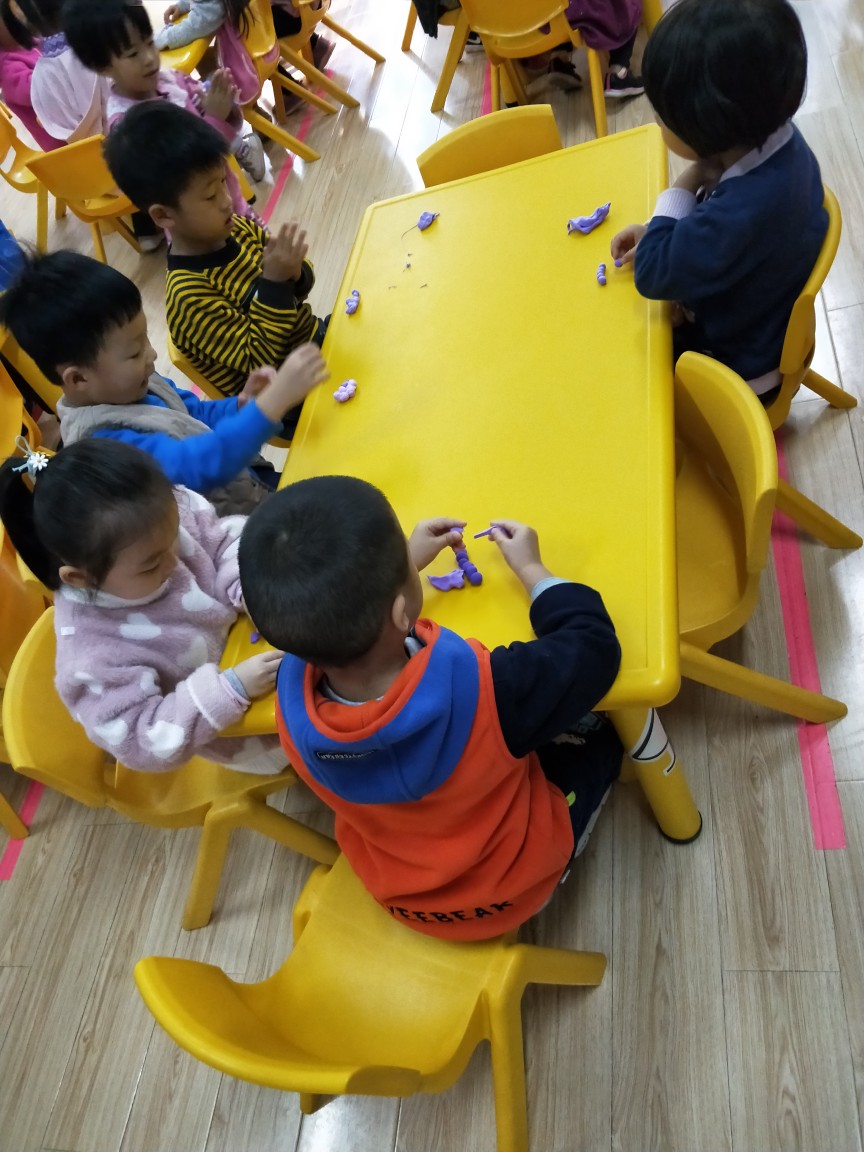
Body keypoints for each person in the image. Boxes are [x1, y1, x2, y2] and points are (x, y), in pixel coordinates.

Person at [238, 476, 624, 941]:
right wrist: (532, 569)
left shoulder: (290, 708)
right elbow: (594, 648)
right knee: (603, 742)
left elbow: (333, 621)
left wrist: (394, 571)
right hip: (509, 890)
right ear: (401, 612)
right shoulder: (492, 689)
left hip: (402, 898)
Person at [0, 438, 287, 774]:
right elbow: (143, 742)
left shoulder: (156, 517)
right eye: (151, 566)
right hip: (249, 734)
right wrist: (231, 689)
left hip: (258, 645)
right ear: (81, 578)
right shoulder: (92, 658)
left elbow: (222, 539)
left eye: (175, 537)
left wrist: (244, 584)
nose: (174, 562)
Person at [0, 250, 330, 514]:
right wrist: (269, 408)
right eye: (134, 352)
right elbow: (198, 466)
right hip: (237, 532)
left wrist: (242, 405)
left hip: (249, 485)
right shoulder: (104, 443)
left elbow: (195, 414)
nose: (152, 354)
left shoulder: (134, 382)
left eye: (145, 338)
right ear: (79, 378)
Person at [610, 0, 826, 401]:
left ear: (707, 130)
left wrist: (686, 180)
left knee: (622, 362)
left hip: (743, 370)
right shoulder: (781, 140)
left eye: (661, 115)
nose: (656, 121)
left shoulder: (740, 212)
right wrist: (659, 231)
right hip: (765, 314)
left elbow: (651, 273)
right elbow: (716, 236)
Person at [104, 100, 328, 402]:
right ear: (164, 215)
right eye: (210, 195)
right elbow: (260, 361)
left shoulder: (236, 227)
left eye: (223, 181)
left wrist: (295, 271)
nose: (226, 200)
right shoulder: (189, 296)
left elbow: (300, 294)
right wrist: (275, 284)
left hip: (313, 348)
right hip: (286, 399)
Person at [63, 0, 265, 198]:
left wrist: (219, 105)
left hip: (226, 194)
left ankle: (245, 150)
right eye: (133, 54)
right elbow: (187, 177)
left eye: (150, 42)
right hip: (201, 214)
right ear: (102, 66)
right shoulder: (128, 126)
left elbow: (203, 114)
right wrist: (215, 120)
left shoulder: (170, 79)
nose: (150, 58)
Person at [1, 0, 107, 142]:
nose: (17, 16)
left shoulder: (40, 47)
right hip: (64, 142)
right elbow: (32, 91)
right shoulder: (7, 67)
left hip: (80, 133)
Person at [0, 0, 63, 148]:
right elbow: (40, 92)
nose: (20, 15)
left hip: (74, 124)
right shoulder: (8, 70)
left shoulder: (33, 42)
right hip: (65, 143)